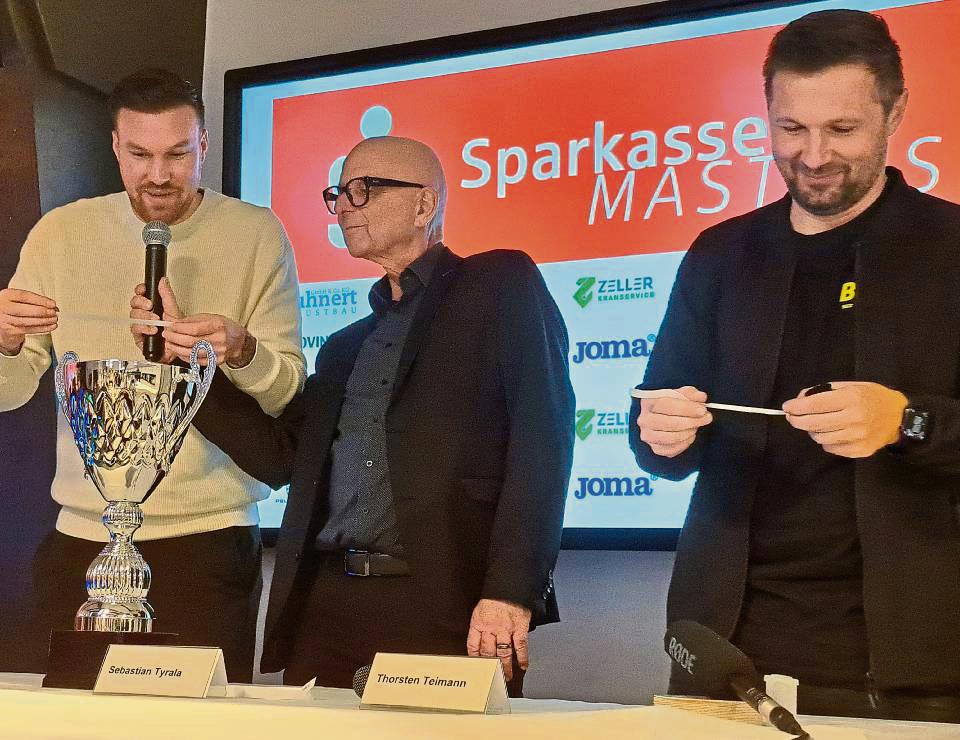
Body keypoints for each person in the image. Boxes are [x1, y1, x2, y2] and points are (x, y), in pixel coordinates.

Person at [139, 136, 574, 694]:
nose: (344, 206)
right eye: (338, 194)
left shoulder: (498, 285)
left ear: (425, 205)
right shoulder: (344, 346)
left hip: (444, 600)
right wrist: (185, 366)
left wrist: (511, 591)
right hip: (327, 602)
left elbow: (545, 440)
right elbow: (282, 459)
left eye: (364, 190)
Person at [629, 10, 960, 722]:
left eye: (842, 130)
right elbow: (653, 431)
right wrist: (661, 432)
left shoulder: (950, 249)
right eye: (790, 129)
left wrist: (909, 421)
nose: (813, 155)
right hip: (726, 657)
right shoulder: (720, 255)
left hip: (912, 663)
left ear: (896, 112)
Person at [0, 68, 305, 682]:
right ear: (115, 147)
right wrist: (6, 339)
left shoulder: (257, 235)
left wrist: (240, 349)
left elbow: (287, 392)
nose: (158, 175)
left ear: (204, 145)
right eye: (141, 154)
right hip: (82, 536)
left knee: (203, 727)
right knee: (73, 723)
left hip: (209, 537)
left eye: (178, 153)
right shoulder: (62, 233)